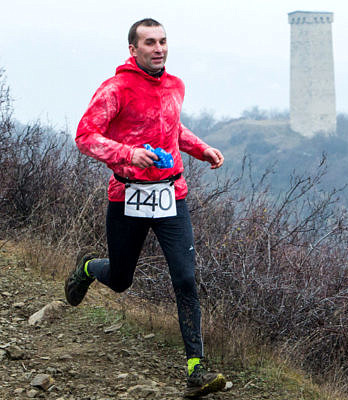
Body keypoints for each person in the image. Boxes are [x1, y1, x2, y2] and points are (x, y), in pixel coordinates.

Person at [66, 18, 226, 398]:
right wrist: (127, 153)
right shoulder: (116, 89)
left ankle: (196, 369)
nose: (159, 49)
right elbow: (85, 136)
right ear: (133, 49)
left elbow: (171, 130)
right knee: (121, 280)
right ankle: (89, 268)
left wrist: (200, 149)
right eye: (150, 43)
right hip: (128, 195)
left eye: (163, 42)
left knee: (185, 279)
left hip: (173, 195)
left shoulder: (175, 86)